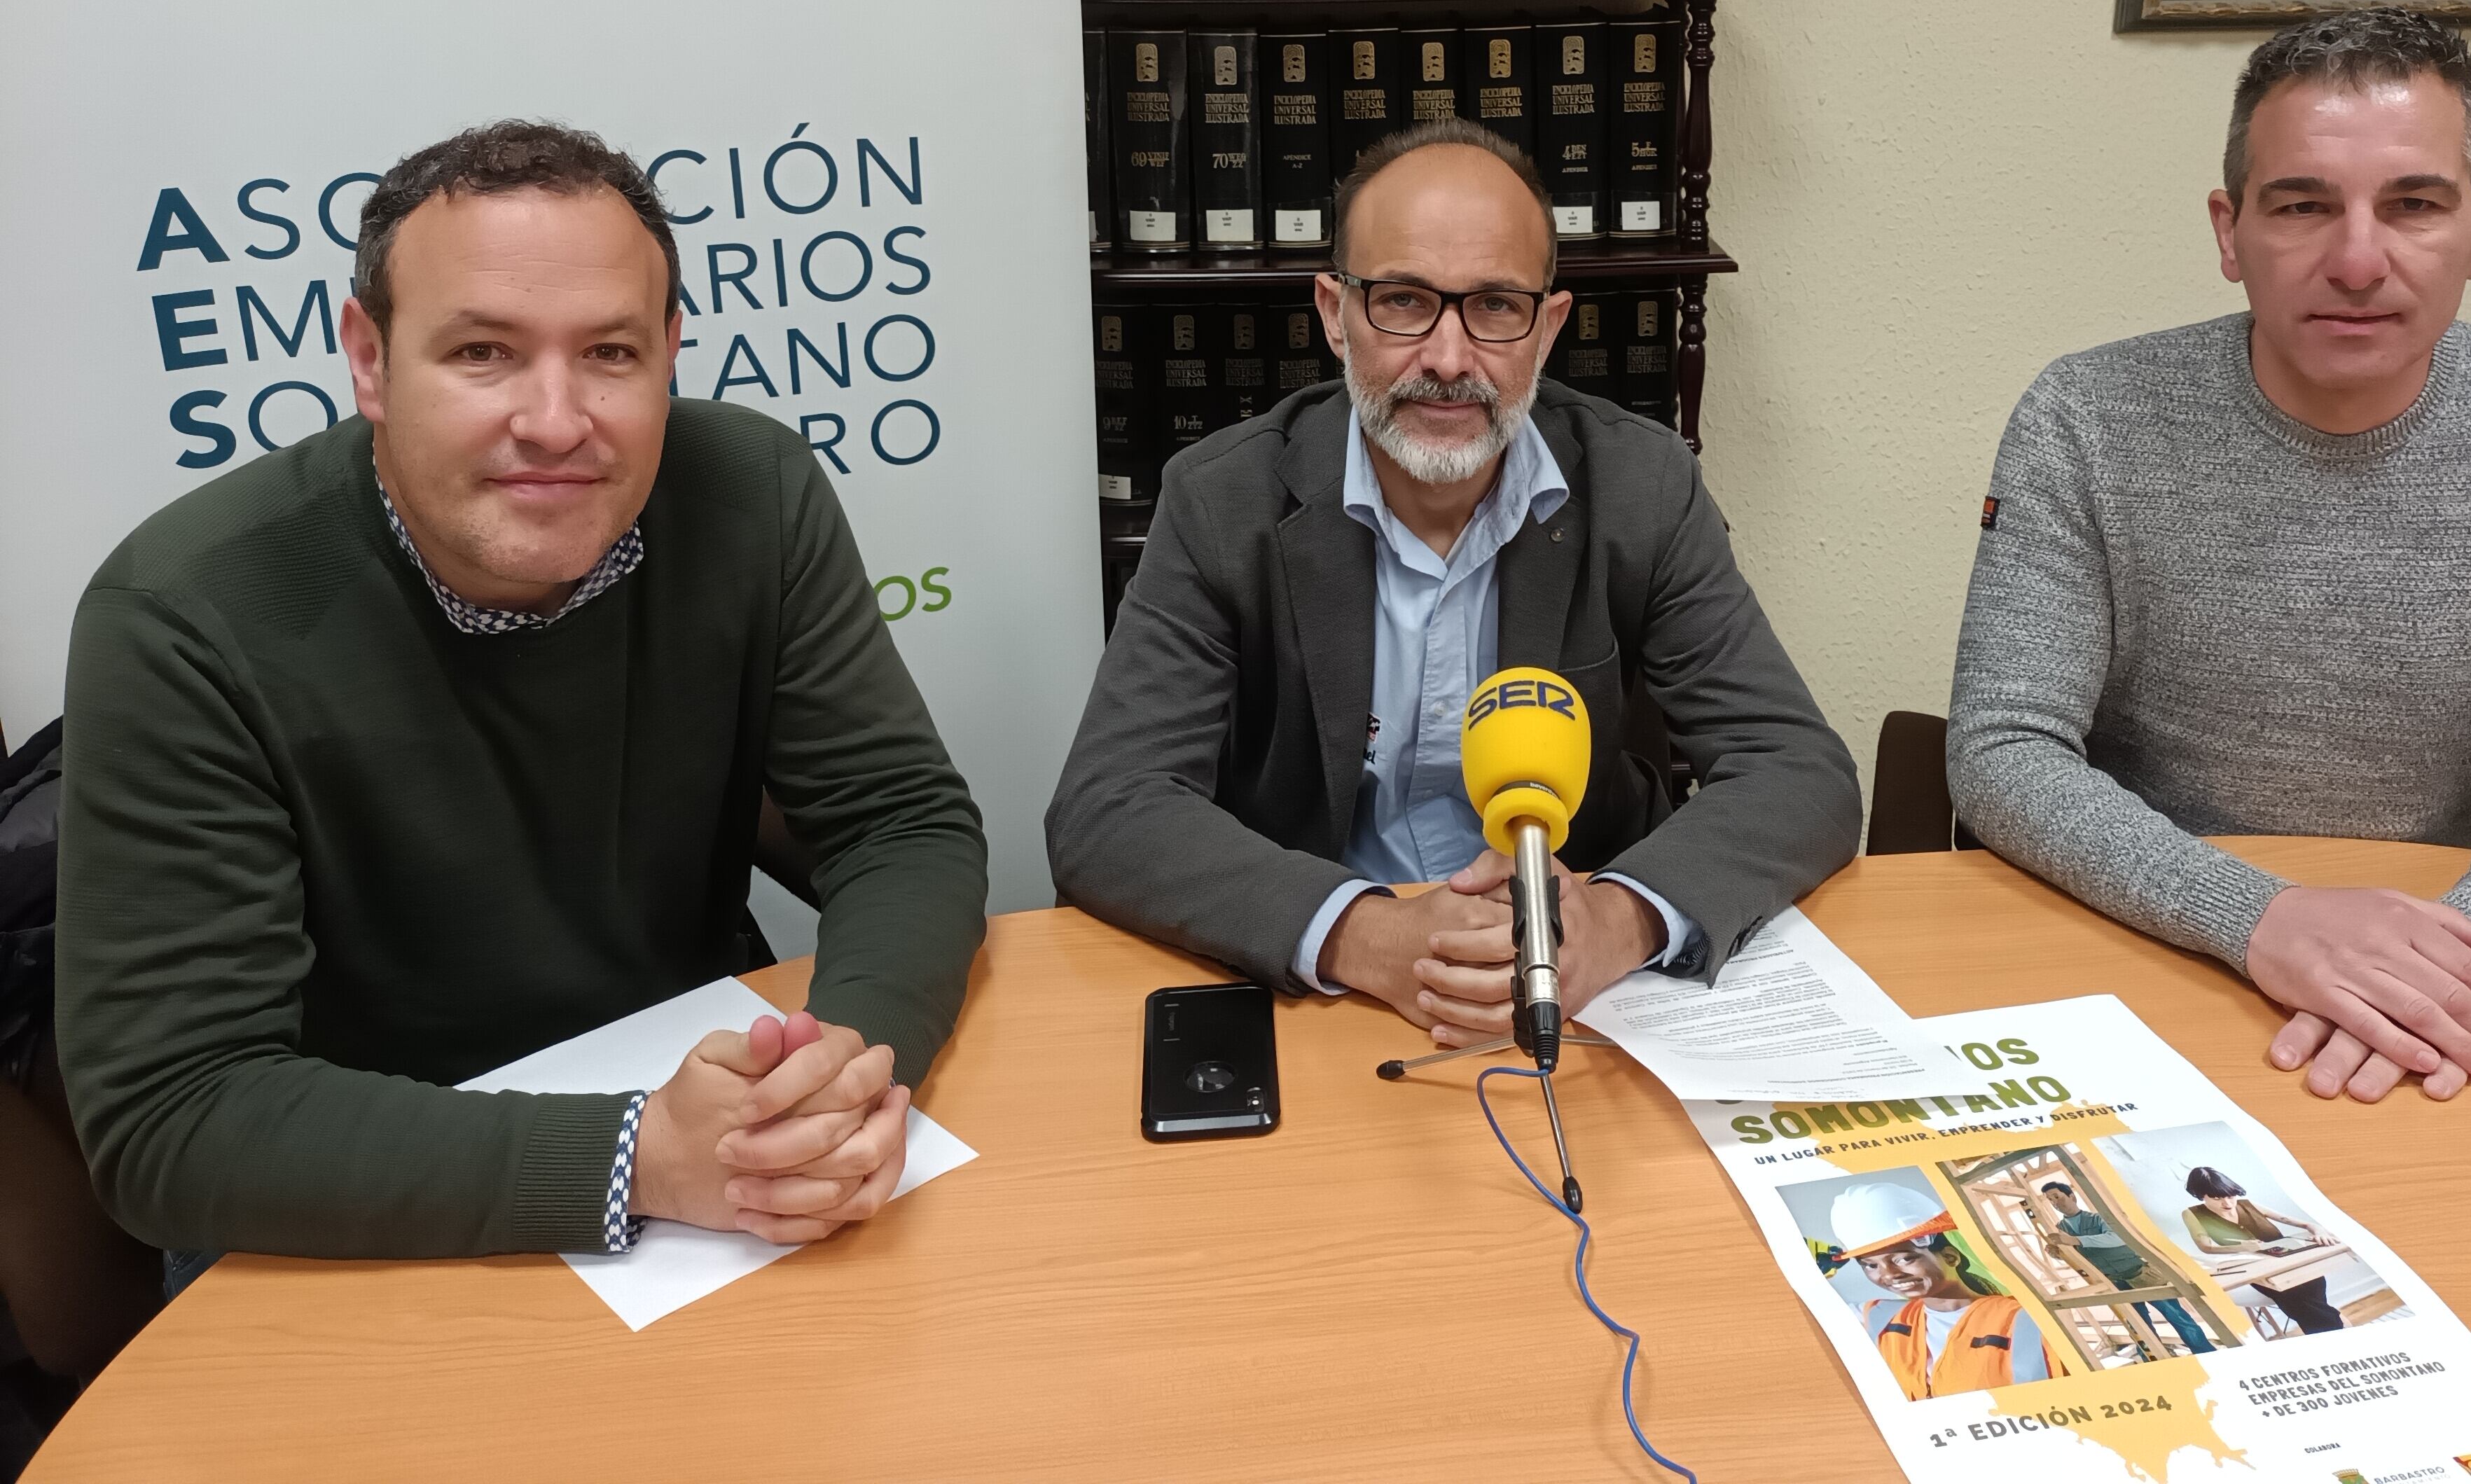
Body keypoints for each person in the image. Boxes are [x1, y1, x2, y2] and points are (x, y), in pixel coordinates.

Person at [55, 122, 987, 1275]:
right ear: (369, 358)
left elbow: (898, 820)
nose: (555, 421)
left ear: (670, 353)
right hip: (349, 1188)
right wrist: (638, 1157)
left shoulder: (754, 493)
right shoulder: (184, 611)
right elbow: (171, 1118)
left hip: (705, 1134)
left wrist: (837, 1071)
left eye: (609, 354)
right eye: (484, 353)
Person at [1948, 8, 2471, 1105]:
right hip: (2141, 942)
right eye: (2303, 206)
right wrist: (2257, 919)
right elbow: (2005, 748)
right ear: (2229, 230)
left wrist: (2449, 967)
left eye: (2414, 205)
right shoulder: (2086, 416)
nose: (2358, 260)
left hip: (2445, 969)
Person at [1048, 121, 1860, 1039]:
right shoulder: (1222, 498)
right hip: (1328, 1000)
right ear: (1333, 312)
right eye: (1401, 301)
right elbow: (1107, 812)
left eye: (1496, 308)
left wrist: (1623, 917)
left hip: (1580, 995)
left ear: (1546, 328)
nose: (1446, 358)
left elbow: (1800, 771)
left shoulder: (1643, 487)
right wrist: (1363, 929)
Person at [1828, 1179, 2051, 1398]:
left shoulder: (2024, 1318)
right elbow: (1810, 1310)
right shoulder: (1882, 1315)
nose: (1888, 1274)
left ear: (1951, 1256)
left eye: (1905, 1259)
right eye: (1871, 1265)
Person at [2035, 1177, 2213, 1355]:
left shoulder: (2099, 1218)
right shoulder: (2060, 1228)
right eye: (2050, 1200)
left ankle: (2205, 1353)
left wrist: (2075, 1240)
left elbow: (2116, 1238)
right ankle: (2155, 1359)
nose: (2055, 1203)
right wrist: (2058, 1254)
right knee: (2139, 1326)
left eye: (2057, 1197)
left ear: (2072, 1196)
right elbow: (2075, 1256)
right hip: (2114, 1281)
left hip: (2139, 1273)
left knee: (2177, 1316)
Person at [2180, 1167, 2344, 1336]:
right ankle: (2335, 1326)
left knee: (2305, 1300)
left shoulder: (2249, 1205)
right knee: (2299, 1301)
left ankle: (2328, 1332)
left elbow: (2302, 1224)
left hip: (2295, 1261)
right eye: (2216, 1199)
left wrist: (2318, 1230)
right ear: (2200, 1195)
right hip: (2262, 1273)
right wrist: (2242, 1248)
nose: (2227, 1204)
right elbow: (2206, 1247)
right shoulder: (2192, 1214)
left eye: (2231, 1197)